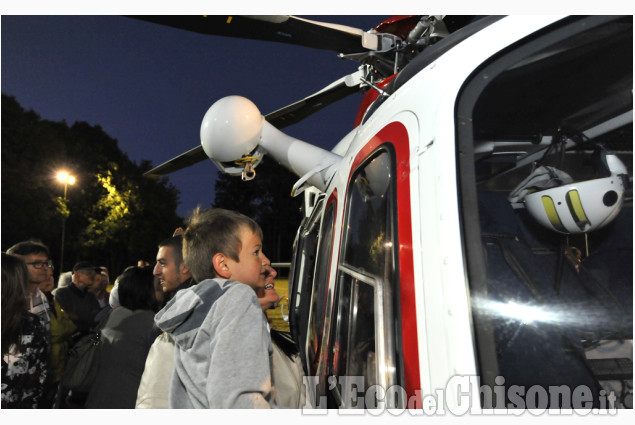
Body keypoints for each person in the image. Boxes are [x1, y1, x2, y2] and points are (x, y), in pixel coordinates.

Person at [153, 207, 275, 408]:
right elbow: (237, 400)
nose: (266, 260)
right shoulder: (238, 297)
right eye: (256, 252)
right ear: (223, 264)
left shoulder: (197, 308)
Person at [84, 266, 157, 408]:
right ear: (146, 289)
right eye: (157, 284)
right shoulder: (152, 323)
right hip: (130, 399)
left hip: (99, 396)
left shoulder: (112, 314)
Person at [1, 253, 49, 408]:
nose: (44, 268)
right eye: (37, 264)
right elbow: (36, 383)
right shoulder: (32, 325)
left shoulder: (31, 325)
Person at [39, 274, 77, 408]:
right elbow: (53, 333)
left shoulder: (52, 300)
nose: (49, 279)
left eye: (51, 276)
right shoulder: (34, 302)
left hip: (58, 364)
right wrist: (66, 328)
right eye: (44, 277)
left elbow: (68, 325)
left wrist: (65, 327)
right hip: (45, 367)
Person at [150, 235, 195, 338]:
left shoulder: (175, 313)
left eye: (162, 263)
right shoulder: (203, 295)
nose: (155, 271)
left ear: (185, 267)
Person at [6, 240, 53, 332]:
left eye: (46, 263)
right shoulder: (8, 300)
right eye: (37, 264)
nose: (45, 268)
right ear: (17, 266)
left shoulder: (40, 295)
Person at [53, 262, 102, 333]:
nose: (93, 276)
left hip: (86, 338)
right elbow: (61, 317)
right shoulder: (61, 294)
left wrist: (76, 316)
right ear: (77, 274)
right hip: (67, 339)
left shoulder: (91, 296)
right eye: (89, 273)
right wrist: (86, 317)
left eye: (94, 274)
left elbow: (96, 318)